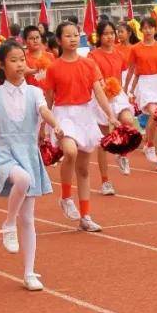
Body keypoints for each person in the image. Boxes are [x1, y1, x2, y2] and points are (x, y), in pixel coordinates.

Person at [0, 40, 63, 291]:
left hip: (29, 155)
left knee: (29, 218)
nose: (20, 64)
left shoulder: (34, 93)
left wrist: (55, 125)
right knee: (22, 180)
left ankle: (29, 272)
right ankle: (8, 224)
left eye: (22, 59)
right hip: (5, 155)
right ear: (1, 64)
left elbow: (44, 112)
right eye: (13, 60)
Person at [43, 21, 116, 231]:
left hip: (85, 114)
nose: (73, 39)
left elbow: (98, 92)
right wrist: (43, 127)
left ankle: (86, 217)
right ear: (58, 40)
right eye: (67, 36)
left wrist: (110, 114)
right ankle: (66, 197)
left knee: (83, 170)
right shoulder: (54, 68)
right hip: (63, 115)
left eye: (75, 35)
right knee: (70, 151)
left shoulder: (88, 64)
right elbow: (48, 100)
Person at [89, 21, 137, 190]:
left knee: (128, 120)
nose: (110, 37)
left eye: (112, 33)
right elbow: (96, 78)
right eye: (105, 34)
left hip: (117, 94)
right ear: (99, 36)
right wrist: (104, 89)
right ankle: (105, 181)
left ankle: (122, 153)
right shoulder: (93, 55)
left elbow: (122, 74)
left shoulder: (118, 54)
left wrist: (124, 91)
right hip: (101, 97)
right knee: (103, 140)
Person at [127, 17, 157, 172]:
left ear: (155, 29)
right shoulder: (135, 49)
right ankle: (149, 144)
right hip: (144, 83)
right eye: (145, 28)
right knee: (156, 114)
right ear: (141, 30)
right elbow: (132, 70)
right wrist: (127, 88)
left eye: (151, 27)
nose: (148, 31)